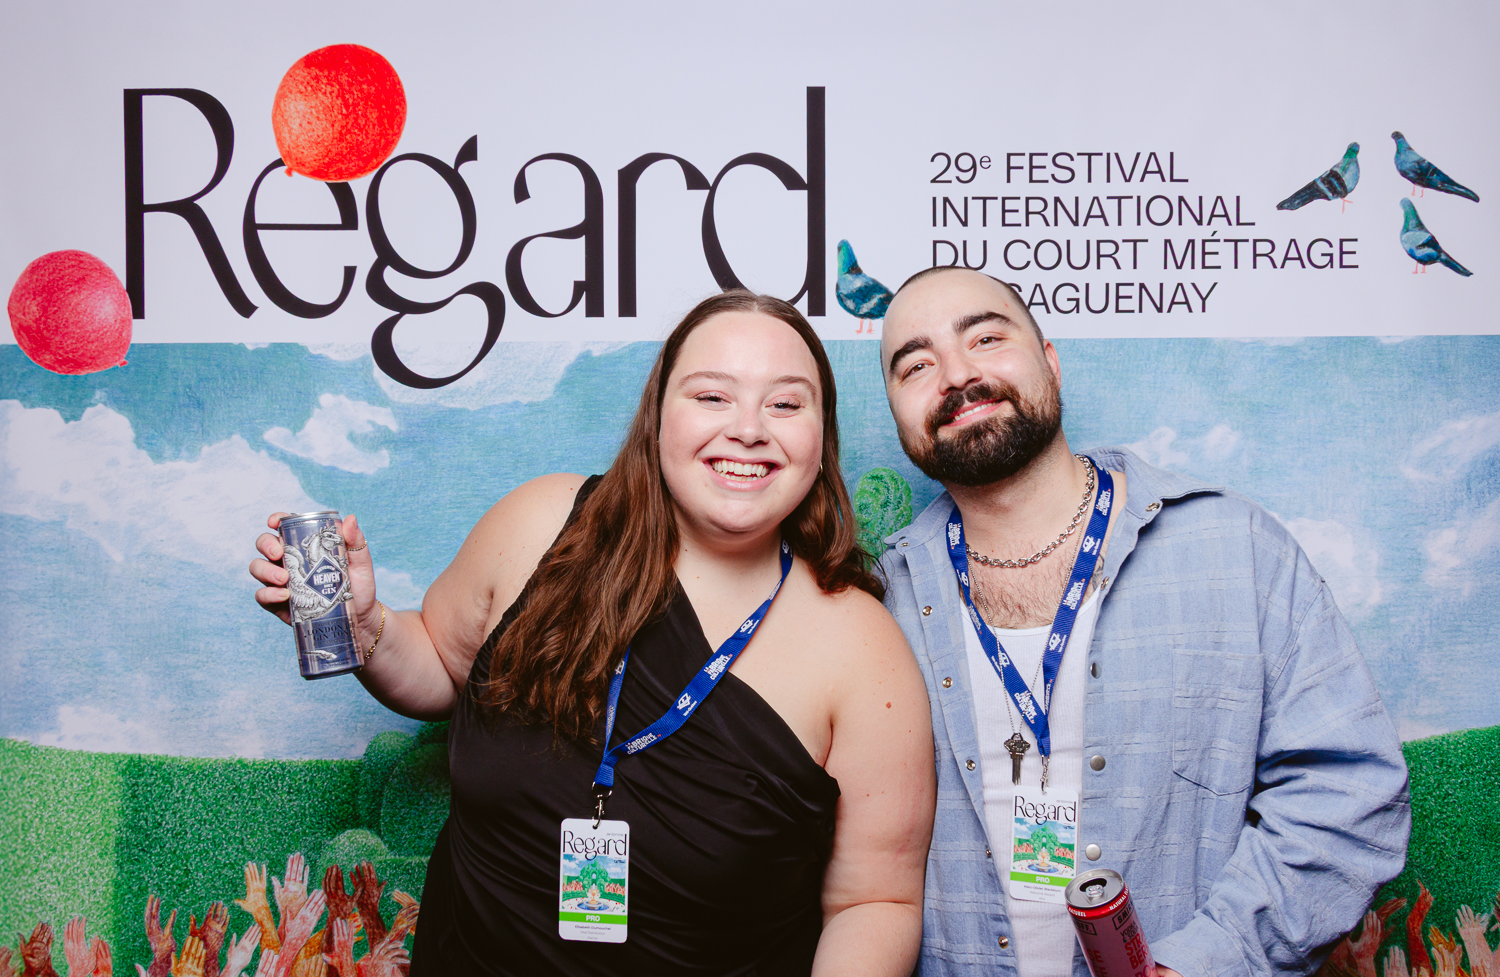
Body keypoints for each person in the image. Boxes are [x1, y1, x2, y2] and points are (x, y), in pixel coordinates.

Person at [249, 290, 936, 977]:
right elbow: (439, 666)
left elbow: (874, 901)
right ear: (656, 416)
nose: (749, 428)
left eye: (785, 404)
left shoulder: (863, 651)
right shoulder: (540, 523)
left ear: (822, 436)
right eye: (712, 396)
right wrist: (366, 627)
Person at [873, 267, 1410, 977]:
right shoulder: (881, 600)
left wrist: (1207, 963)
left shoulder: (1236, 549)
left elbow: (1348, 790)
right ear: (897, 413)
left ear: (1051, 360)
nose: (957, 374)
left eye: (987, 338)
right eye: (916, 365)